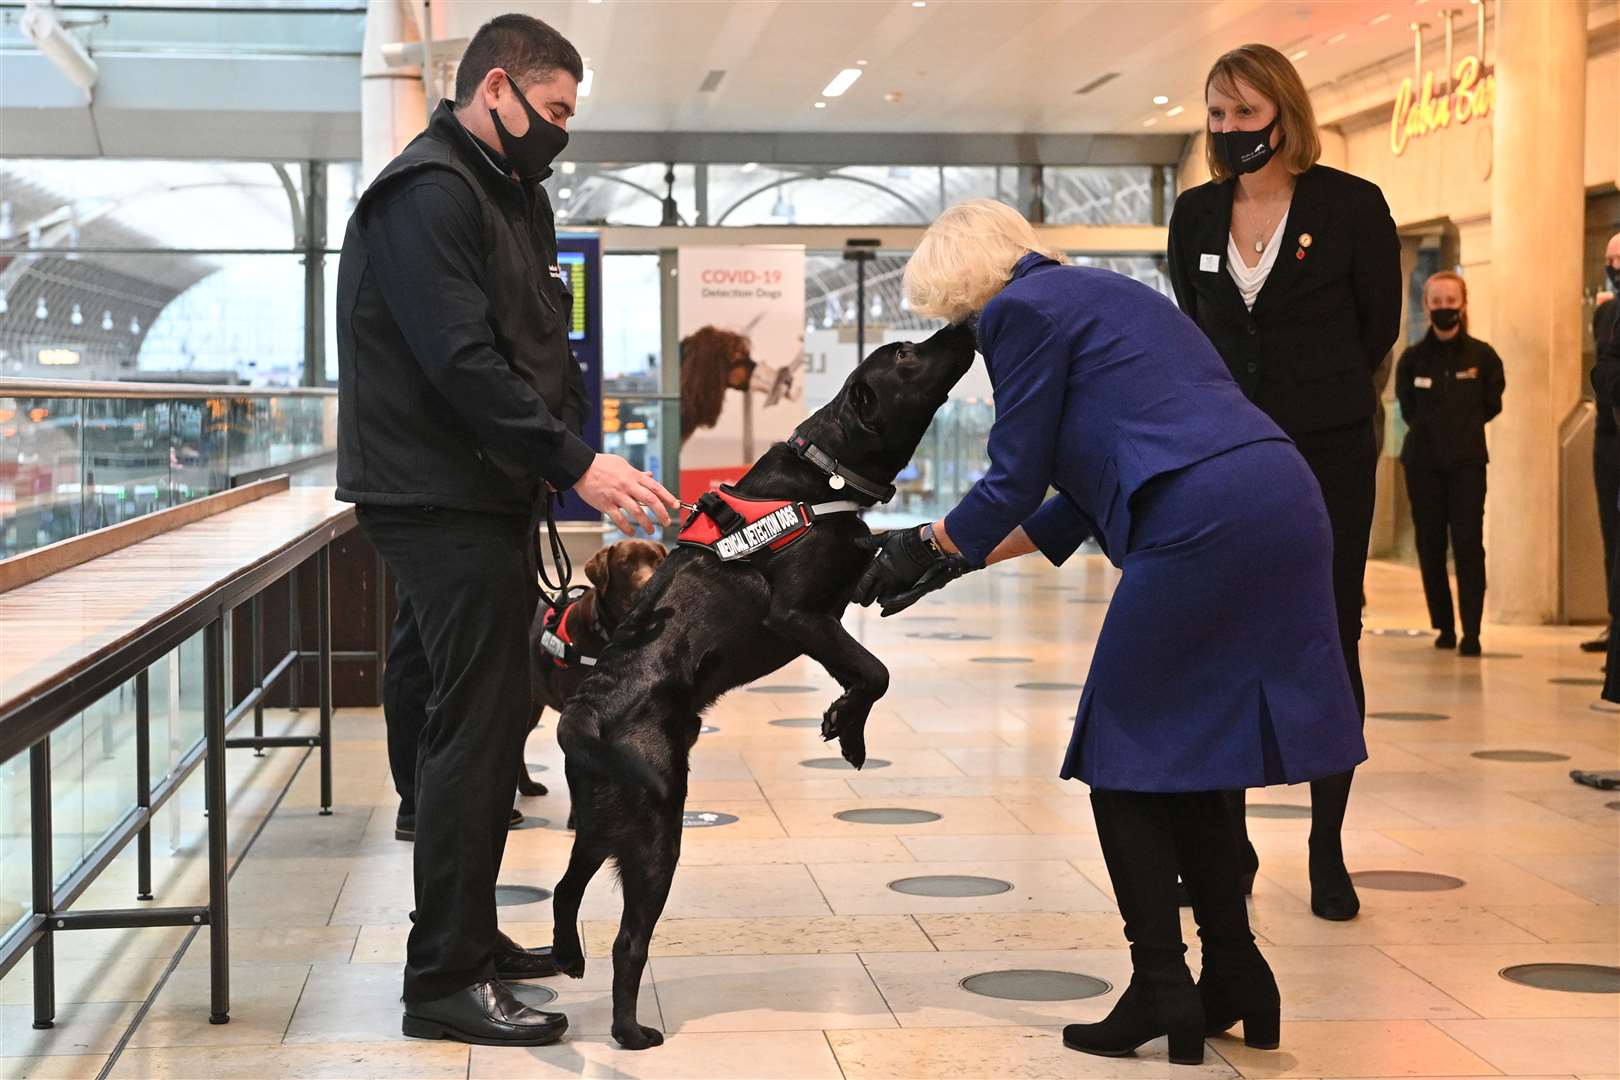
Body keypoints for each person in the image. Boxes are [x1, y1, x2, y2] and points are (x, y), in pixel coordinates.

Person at [856, 199, 1365, 1065]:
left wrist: (921, 544)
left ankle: (1161, 986)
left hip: (1200, 520)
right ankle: (1237, 975)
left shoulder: (1017, 312)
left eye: (954, 318)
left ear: (966, 288)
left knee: (1121, 753)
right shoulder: (1108, 294)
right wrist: (952, 560)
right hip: (1279, 496)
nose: (964, 335)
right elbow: (1074, 503)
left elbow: (1014, 476)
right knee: (1200, 755)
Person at [334, 14, 679, 1046]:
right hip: (434, 496)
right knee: (476, 737)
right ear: (496, 88)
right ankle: (441, 976)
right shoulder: (429, 193)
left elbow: (536, 340)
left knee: (486, 733)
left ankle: (470, 939)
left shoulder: (507, 191)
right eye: (555, 110)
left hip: (483, 492)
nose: (561, 132)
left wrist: (563, 449)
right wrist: (576, 463)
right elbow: (460, 362)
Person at [1166, 44, 1401, 921]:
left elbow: (1376, 328)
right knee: (1225, 637)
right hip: (1227, 457)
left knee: (1330, 635)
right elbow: (1197, 329)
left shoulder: (1352, 206)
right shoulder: (1194, 215)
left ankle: (1327, 845)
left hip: (1328, 453)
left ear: (1285, 114)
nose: (1230, 133)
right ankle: (1229, 841)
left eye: (1246, 115)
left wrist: (1319, 397)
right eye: (1217, 116)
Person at [1394, 272, 1505, 656]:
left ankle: (1471, 630)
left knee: (1469, 544)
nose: (1444, 309)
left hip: (1467, 463)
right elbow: (1407, 408)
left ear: (1464, 303)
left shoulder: (1483, 357)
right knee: (1430, 544)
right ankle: (1443, 625)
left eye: (1450, 301)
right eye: (1437, 302)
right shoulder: (1411, 360)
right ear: (1427, 307)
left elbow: (1493, 403)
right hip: (1423, 464)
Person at [1587, 233, 1620, 654]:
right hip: (1608, 437)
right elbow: (1603, 368)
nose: (1614, 266)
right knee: (1611, 535)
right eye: (1610, 259)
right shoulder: (1606, 313)